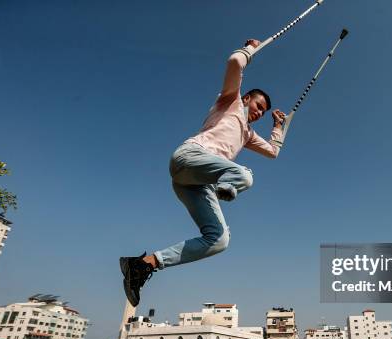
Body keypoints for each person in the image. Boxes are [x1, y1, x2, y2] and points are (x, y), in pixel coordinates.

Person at [120, 39, 287, 306]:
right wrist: (250, 50)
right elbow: (234, 62)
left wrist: (279, 126)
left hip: (192, 183)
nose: (259, 113)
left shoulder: (248, 134)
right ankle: (228, 188)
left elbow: (273, 152)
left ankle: (143, 265)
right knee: (245, 176)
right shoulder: (230, 101)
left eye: (263, 112)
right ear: (246, 99)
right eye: (257, 106)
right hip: (190, 157)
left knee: (219, 240)